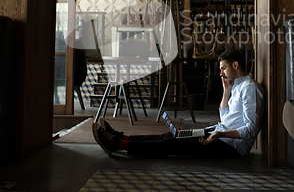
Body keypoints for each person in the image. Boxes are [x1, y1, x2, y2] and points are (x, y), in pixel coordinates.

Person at [92, 49, 265, 159]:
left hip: (230, 147)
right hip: (219, 134)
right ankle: (122, 137)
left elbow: (250, 130)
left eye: (223, 68)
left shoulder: (250, 88)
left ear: (235, 65)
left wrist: (219, 134)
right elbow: (225, 117)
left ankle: (118, 144)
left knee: (173, 143)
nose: (221, 73)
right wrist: (226, 92)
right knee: (171, 135)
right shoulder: (238, 86)